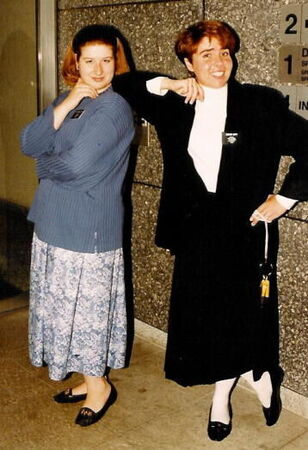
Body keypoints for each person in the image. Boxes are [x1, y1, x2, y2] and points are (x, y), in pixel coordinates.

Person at [112, 20, 308, 440]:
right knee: (205, 317)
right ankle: (259, 377)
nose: (219, 63)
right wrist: (167, 83)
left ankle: (223, 398)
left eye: (224, 52)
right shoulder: (174, 105)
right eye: (206, 54)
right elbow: (124, 83)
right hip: (195, 229)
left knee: (238, 314)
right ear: (188, 62)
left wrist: (284, 199)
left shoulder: (261, 104)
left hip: (245, 227)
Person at [21, 24, 135, 427]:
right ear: (76, 63)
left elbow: (74, 165)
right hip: (53, 221)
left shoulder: (115, 109)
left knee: (86, 313)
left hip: (88, 228)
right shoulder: (73, 99)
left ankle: (100, 385)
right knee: (62, 309)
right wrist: (67, 103)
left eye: (107, 60)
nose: (99, 69)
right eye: (90, 61)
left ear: (116, 62)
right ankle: (89, 380)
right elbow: (30, 142)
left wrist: (44, 168)